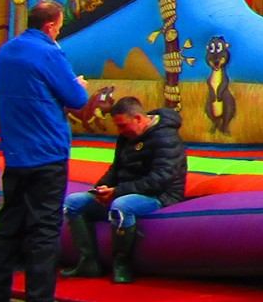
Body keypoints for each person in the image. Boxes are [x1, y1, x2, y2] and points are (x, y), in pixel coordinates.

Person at [0, 0, 90, 302]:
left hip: (16, 152)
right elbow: (76, 99)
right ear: (50, 26)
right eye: (58, 26)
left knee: (8, 226)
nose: (58, 31)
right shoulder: (48, 52)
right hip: (47, 151)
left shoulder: (6, 52)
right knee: (44, 227)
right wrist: (80, 85)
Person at [65, 97, 186, 283]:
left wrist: (117, 192)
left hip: (159, 196)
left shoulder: (167, 138)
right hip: (124, 190)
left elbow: (160, 179)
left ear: (138, 118)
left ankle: (121, 263)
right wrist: (101, 188)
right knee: (73, 202)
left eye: (122, 126)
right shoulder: (126, 137)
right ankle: (88, 262)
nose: (120, 131)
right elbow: (116, 168)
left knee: (122, 206)